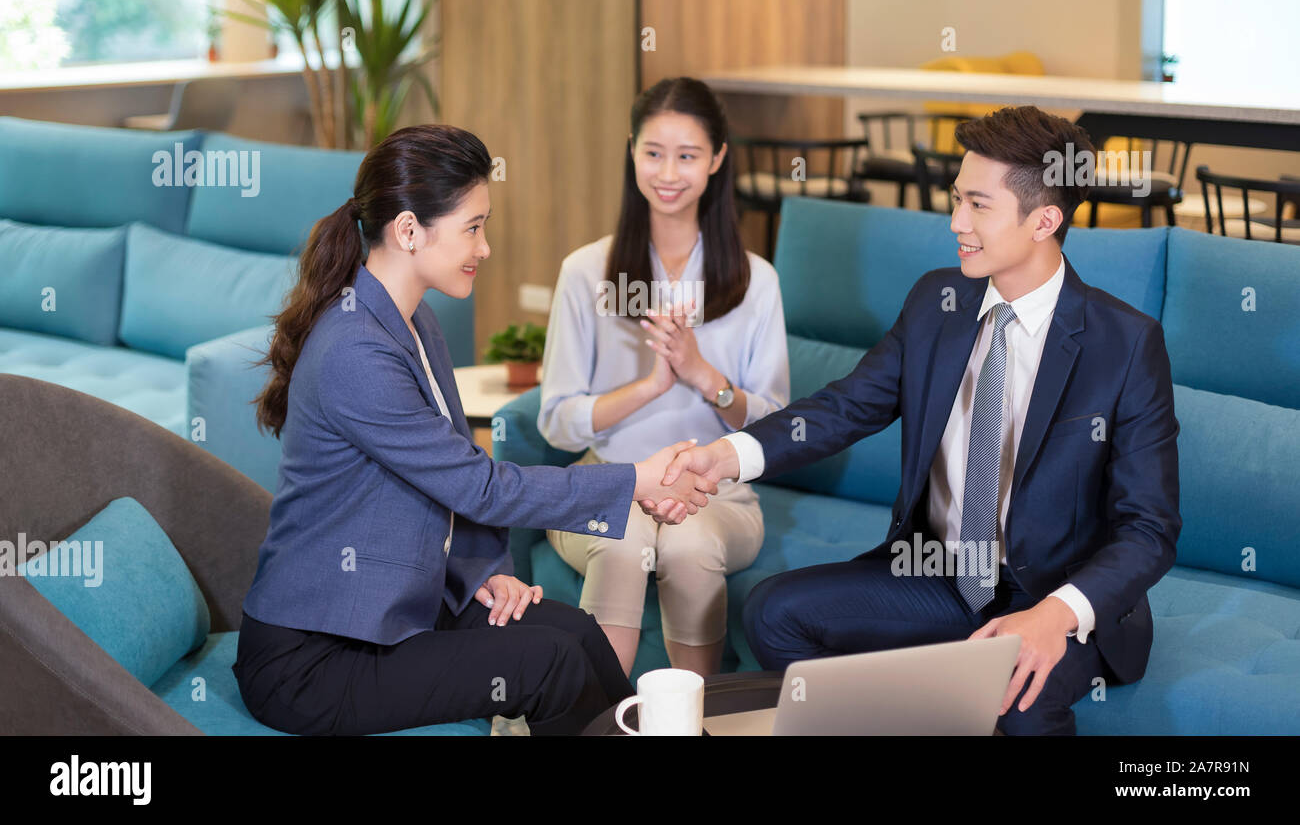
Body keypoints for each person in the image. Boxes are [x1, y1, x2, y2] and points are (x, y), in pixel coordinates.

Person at [660, 105, 1182, 735]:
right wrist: (725, 457)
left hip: (1054, 597)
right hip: (936, 577)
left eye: (978, 206)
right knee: (774, 612)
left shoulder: (1124, 343)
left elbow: (1148, 528)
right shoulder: (939, 301)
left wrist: (1056, 615)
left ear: (1044, 219)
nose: (955, 222)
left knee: (1018, 707)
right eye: (956, 199)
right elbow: (847, 406)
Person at [233, 124, 711, 737]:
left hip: (393, 613)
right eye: (473, 227)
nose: (485, 248)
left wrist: (489, 573)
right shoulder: (355, 350)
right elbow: (480, 485)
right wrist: (638, 480)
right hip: (316, 657)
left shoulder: (416, 320)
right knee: (549, 663)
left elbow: (455, 470)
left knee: (576, 632)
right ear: (408, 230)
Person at [539, 77, 790, 678]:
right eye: (653, 153)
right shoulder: (585, 272)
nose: (668, 173)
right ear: (631, 152)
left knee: (688, 542)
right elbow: (556, 423)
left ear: (718, 159)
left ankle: (691, 716)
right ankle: (598, 719)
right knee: (625, 542)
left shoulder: (756, 281)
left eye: (688, 155)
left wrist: (704, 376)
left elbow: (777, 428)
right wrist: (652, 385)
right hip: (607, 482)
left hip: (717, 491)